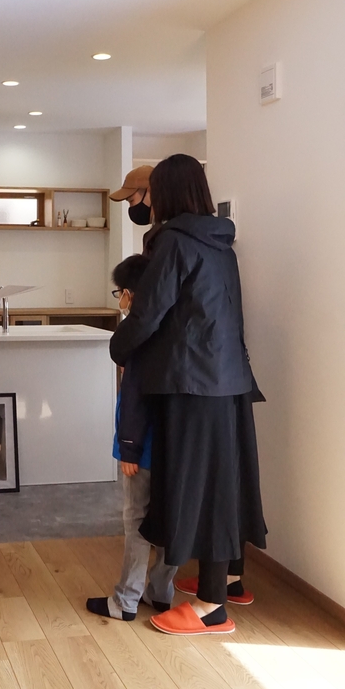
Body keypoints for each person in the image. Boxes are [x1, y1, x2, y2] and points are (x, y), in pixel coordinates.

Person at [109, 154, 266, 636]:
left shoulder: (174, 242)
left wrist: (119, 345)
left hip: (191, 383)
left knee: (198, 489)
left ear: (167, 193)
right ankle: (229, 580)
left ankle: (211, 608)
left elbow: (149, 313)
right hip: (229, 379)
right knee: (225, 483)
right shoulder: (220, 243)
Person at [86, 253, 177, 621]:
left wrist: (127, 448)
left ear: (132, 294)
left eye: (121, 292)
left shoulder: (138, 335)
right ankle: (161, 591)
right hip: (173, 448)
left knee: (136, 520)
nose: (120, 301)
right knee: (170, 518)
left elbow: (135, 399)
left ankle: (125, 600)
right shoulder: (175, 328)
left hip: (140, 447)